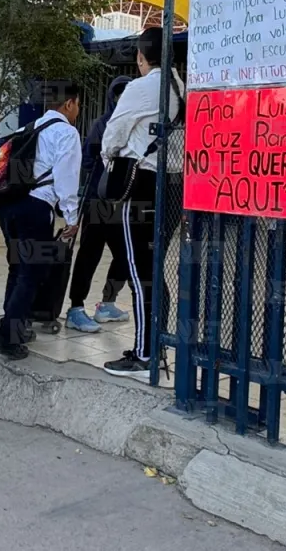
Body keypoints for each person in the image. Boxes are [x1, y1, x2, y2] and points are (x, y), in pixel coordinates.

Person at [100, 27, 184, 380]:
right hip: (173, 186)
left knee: (139, 272)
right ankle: (156, 344)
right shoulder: (183, 87)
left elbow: (114, 133)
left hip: (141, 185)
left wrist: (109, 160)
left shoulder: (141, 87)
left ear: (140, 56)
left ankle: (145, 353)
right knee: (154, 269)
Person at [0, 81, 82, 360]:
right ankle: (8, 337)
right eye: (77, 104)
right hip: (35, 207)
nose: (77, 111)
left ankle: (12, 326)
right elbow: (67, 178)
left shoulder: (25, 129)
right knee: (31, 274)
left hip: (7, 205)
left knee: (17, 269)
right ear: (68, 104)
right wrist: (72, 217)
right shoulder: (66, 132)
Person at [64, 76, 134, 333]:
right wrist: (109, 176)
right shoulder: (103, 124)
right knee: (89, 256)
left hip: (123, 205)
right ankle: (75, 308)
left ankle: (107, 302)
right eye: (119, 95)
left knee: (126, 256)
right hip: (98, 201)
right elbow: (88, 160)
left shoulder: (134, 124)